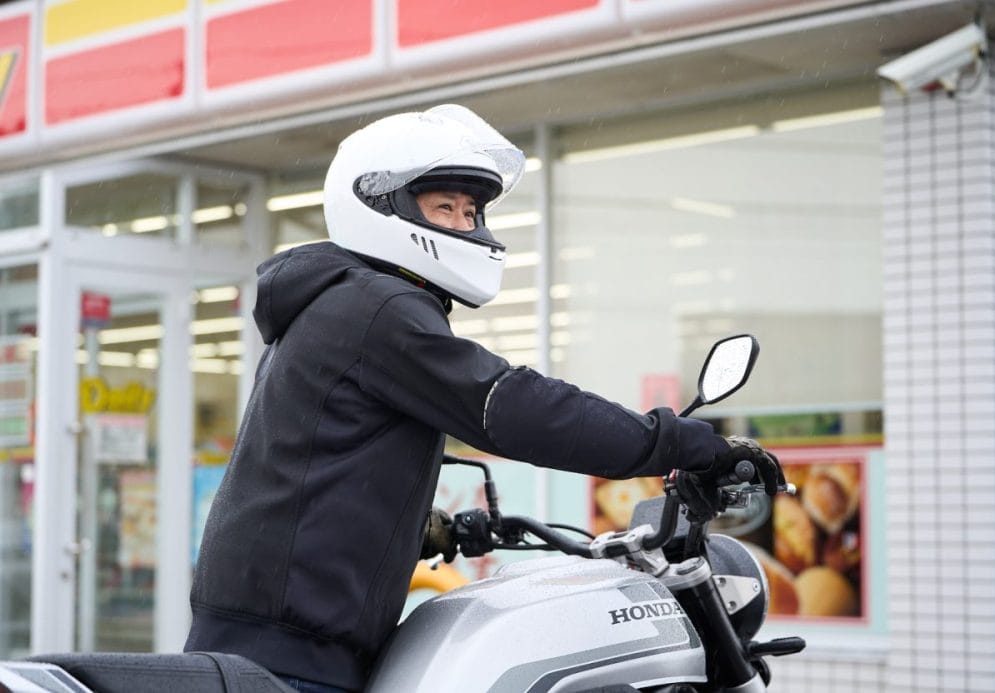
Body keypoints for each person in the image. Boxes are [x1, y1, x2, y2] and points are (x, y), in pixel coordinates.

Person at [184, 104, 784, 693]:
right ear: (379, 204)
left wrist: (425, 527)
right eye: (445, 207)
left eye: (471, 210)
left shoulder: (336, 305)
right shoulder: (378, 308)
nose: (467, 225)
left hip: (277, 638)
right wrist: (684, 441)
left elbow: (321, 462)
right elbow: (513, 408)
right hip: (295, 660)